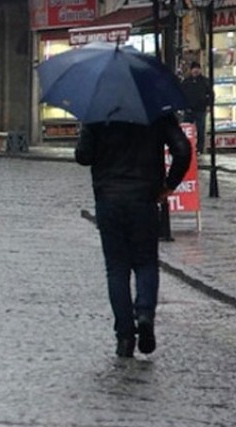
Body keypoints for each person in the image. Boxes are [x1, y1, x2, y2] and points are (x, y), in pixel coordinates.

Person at [75, 113, 191, 358]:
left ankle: (125, 336)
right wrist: (169, 185)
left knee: (117, 269)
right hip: (144, 199)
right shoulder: (155, 108)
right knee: (146, 262)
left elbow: (83, 157)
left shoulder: (99, 109)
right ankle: (145, 314)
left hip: (109, 199)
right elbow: (182, 150)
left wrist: (89, 132)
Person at [180, 61, 212, 154]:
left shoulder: (205, 81)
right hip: (188, 109)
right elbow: (182, 94)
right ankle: (186, 148)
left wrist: (209, 105)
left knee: (200, 129)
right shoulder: (186, 81)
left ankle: (200, 149)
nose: (196, 70)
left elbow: (210, 94)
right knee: (186, 130)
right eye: (194, 68)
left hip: (201, 109)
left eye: (197, 68)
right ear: (191, 70)